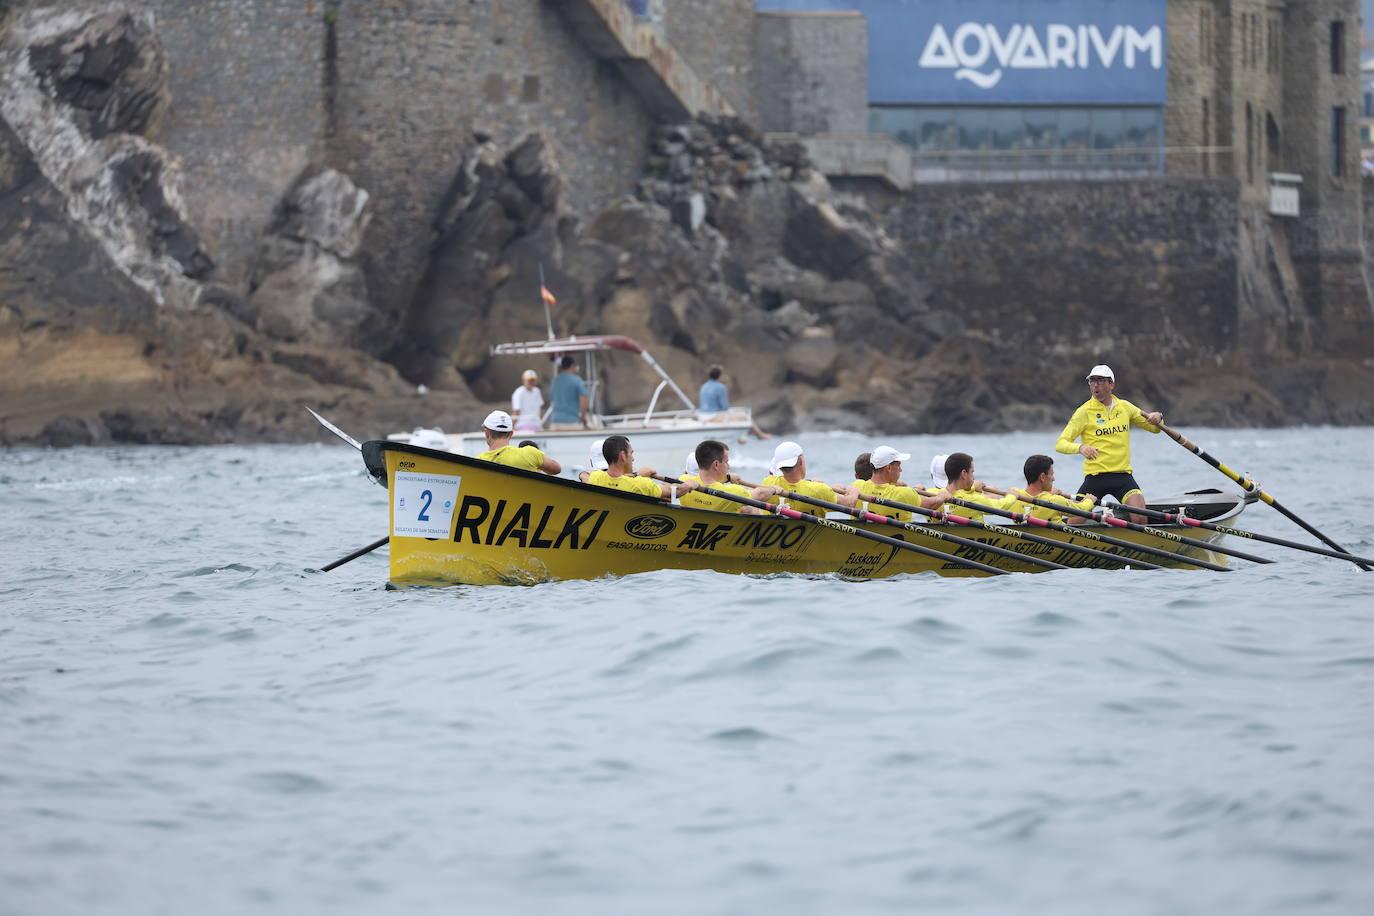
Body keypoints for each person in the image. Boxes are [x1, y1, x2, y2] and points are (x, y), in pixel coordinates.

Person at [1055, 364, 1163, 523]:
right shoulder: (1083, 412)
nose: (1095, 385)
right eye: (1092, 381)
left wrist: (1158, 416)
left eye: (1100, 381)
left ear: (1111, 384)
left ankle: (1138, 544)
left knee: (1140, 517)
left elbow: (1155, 429)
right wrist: (1081, 447)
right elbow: (1060, 444)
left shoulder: (1125, 407)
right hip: (1095, 479)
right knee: (1074, 522)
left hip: (1123, 477)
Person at [679, 439, 781, 514]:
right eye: (726, 462)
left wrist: (727, 478)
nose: (729, 466)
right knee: (748, 509)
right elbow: (760, 494)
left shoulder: (684, 482)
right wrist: (774, 489)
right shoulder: (733, 492)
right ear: (716, 465)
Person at [759, 441, 859, 517]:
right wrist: (854, 489)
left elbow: (794, 487)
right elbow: (849, 503)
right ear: (801, 461)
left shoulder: (767, 484)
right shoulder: (819, 490)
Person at [854, 446, 947, 522]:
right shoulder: (904, 493)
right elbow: (932, 505)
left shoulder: (857, 487)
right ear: (889, 468)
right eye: (898, 465)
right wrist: (943, 494)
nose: (901, 469)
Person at [586, 435, 692, 501]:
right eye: (631, 453)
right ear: (622, 456)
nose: (633, 459)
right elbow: (676, 491)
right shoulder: (641, 484)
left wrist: (633, 475)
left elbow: (583, 475)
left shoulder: (595, 477)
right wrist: (689, 484)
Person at [1010, 455, 1097, 526]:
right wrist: (1089, 500)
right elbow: (1080, 511)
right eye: (1051, 474)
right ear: (1043, 477)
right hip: (1059, 539)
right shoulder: (1055, 500)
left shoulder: (1014, 495)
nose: (1053, 479)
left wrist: (1047, 494)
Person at [938, 452, 1020, 522]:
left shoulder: (936, 495)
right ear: (963, 474)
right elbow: (1000, 506)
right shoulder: (973, 499)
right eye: (972, 472)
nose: (973, 477)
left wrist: (972, 488)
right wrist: (1012, 496)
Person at [475, 410, 561, 475]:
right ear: (511, 434)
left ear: (487, 433)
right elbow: (557, 469)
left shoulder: (478, 462)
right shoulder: (530, 453)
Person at [697, 364, 771, 439]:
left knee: (735, 415)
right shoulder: (720, 387)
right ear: (720, 376)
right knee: (744, 416)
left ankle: (740, 438)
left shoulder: (704, 386)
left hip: (702, 416)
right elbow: (724, 407)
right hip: (713, 416)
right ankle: (758, 435)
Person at [549, 356, 590, 429]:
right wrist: (583, 417)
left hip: (555, 422)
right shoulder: (577, 380)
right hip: (572, 421)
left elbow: (551, 398)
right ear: (572, 366)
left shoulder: (555, 381)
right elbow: (584, 399)